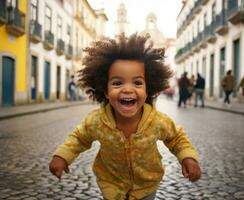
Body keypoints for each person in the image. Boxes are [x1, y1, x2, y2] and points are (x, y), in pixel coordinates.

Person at [49, 34, 201, 200]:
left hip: (147, 186)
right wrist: (62, 156)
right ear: (105, 91)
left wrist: (187, 157)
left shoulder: (157, 121)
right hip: (111, 185)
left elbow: (176, 138)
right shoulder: (97, 121)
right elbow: (79, 139)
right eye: (117, 83)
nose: (128, 89)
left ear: (147, 89)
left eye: (137, 83)